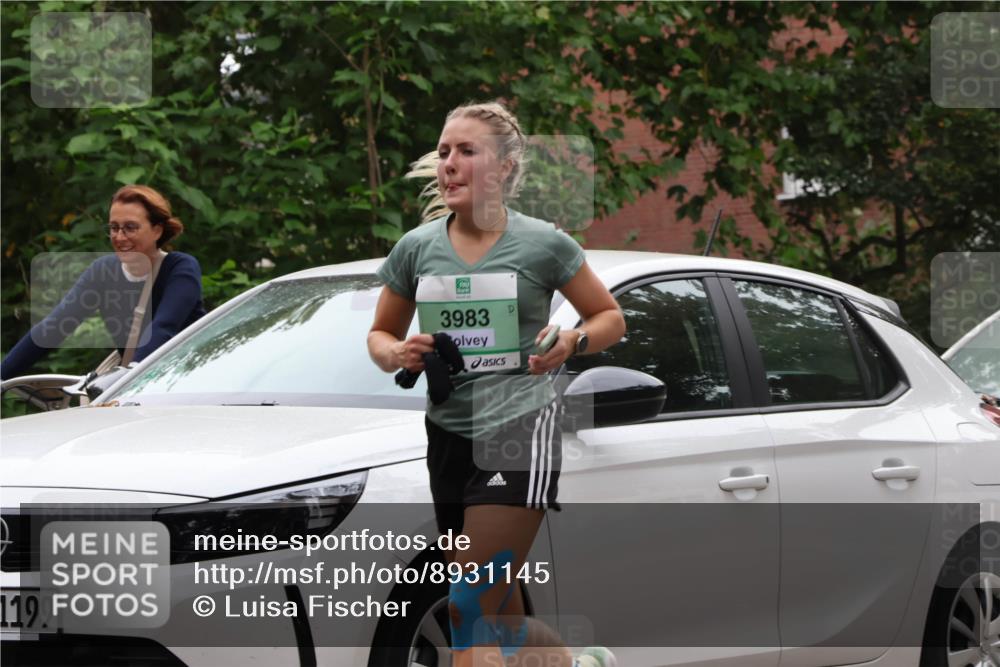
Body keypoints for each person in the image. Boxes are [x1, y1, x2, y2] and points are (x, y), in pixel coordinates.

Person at [368, 101, 625, 667]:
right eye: (443, 152)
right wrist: (398, 353)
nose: (449, 163)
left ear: (505, 167)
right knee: (499, 613)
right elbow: (380, 335)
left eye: (467, 151)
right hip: (448, 434)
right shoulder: (416, 248)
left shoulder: (544, 244)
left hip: (519, 427)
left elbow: (610, 317)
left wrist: (572, 340)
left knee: (466, 604)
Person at [1, 185, 206, 380]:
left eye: (130, 228)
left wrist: (129, 378)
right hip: (138, 385)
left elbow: (163, 327)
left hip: (190, 380)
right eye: (114, 228)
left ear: (157, 230)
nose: (120, 237)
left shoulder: (180, 268)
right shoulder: (104, 271)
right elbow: (52, 328)